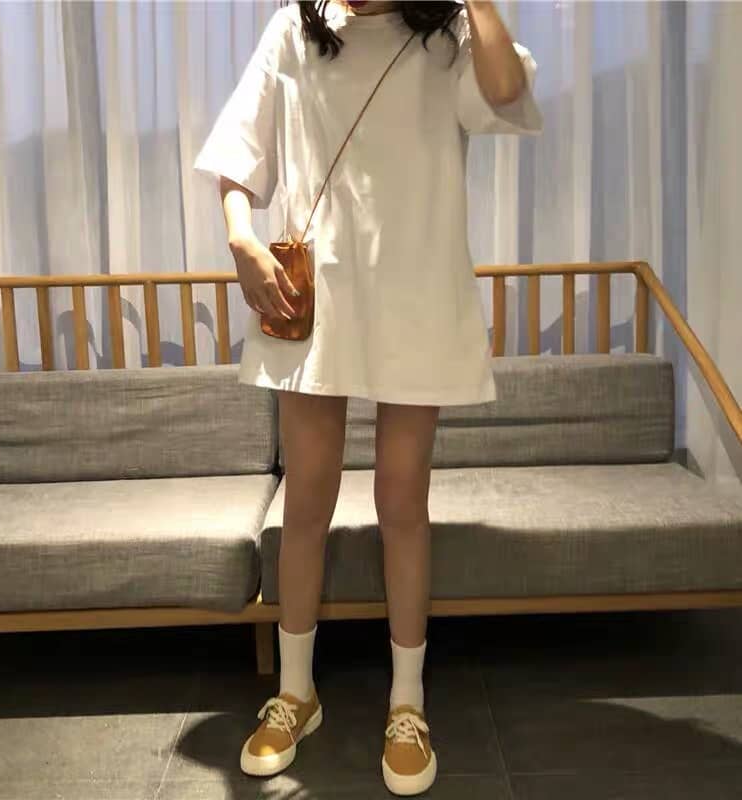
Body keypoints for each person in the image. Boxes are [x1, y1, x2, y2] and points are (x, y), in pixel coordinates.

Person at [194, 0, 542, 794]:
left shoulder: (446, 33)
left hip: (416, 290)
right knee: (306, 501)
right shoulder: (296, 26)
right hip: (315, 294)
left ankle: (407, 702)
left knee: (403, 502)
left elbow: (505, 89)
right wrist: (241, 239)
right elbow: (240, 151)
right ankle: (295, 693)